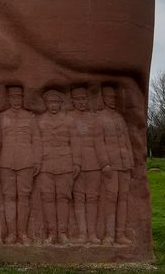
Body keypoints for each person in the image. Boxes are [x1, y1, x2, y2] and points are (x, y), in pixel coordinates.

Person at [0, 86, 40, 244]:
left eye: (19, 98)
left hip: (26, 162)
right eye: (13, 98)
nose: (16, 101)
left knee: (24, 197)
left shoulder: (30, 118)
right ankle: (12, 233)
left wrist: (37, 160)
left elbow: (36, 140)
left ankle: (22, 233)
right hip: (6, 162)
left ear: (22, 99)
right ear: (9, 99)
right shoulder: (1, 118)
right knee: (9, 197)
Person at [37, 89, 78, 245]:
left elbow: (75, 142)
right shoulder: (39, 120)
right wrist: (36, 162)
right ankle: (51, 233)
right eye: (50, 103)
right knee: (48, 199)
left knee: (63, 199)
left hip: (65, 164)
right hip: (45, 165)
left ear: (61, 104)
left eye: (56, 103)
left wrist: (77, 162)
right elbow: (35, 143)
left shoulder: (68, 121)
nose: (53, 106)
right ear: (46, 104)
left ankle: (62, 233)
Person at [70, 86, 110, 245]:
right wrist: (74, 162)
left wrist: (105, 163)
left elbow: (99, 143)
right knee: (79, 199)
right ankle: (82, 234)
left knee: (92, 199)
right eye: (77, 100)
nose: (81, 103)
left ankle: (92, 234)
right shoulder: (68, 118)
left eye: (83, 99)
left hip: (93, 164)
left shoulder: (94, 119)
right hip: (74, 165)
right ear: (72, 101)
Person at [98, 85, 134, 245]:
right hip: (110, 165)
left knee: (123, 199)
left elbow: (127, 141)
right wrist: (104, 163)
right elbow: (98, 143)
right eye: (108, 98)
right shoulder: (99, 118)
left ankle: (120, 235)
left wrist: (131, 162)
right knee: (111, 199)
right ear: (103, 98)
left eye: (113, 98)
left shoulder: (119, 118)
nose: (111, 100)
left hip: (124, 164)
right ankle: (109, 235)